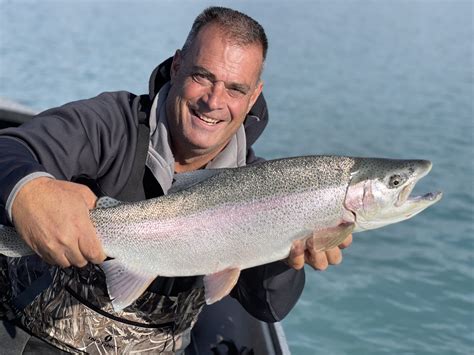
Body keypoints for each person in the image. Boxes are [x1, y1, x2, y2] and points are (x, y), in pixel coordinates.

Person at [0, 6, 352, 354]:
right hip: (30, 334)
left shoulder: (262, 186)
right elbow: (11, 148)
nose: (214, 101)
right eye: (203, 76)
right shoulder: (112, 122)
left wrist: (287, 256)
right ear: (177, 65)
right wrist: (29, 191)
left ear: (253, 96)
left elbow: (269, 307)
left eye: (234, 89)